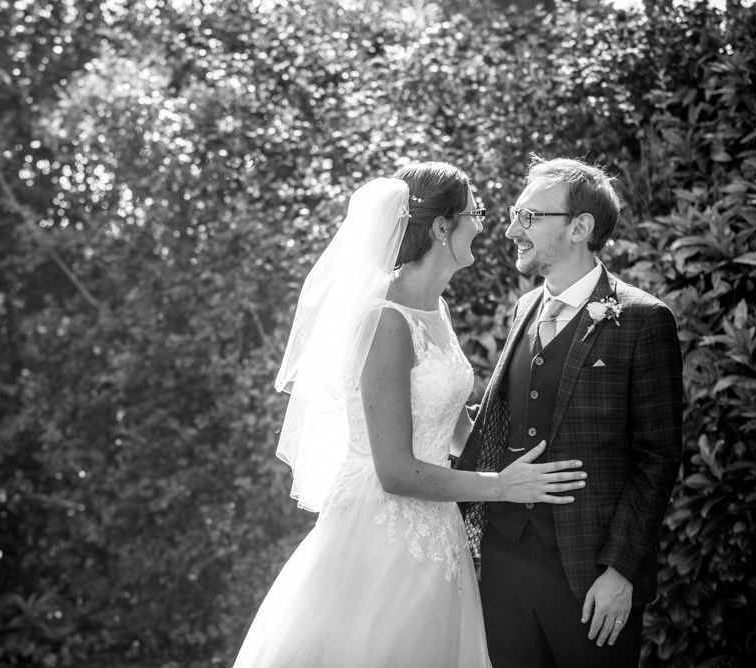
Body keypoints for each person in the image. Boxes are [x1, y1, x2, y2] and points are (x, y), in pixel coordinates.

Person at [232, 162, 588, 668]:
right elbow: (395, 471)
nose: (485, 224)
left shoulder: (435, 309)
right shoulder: (385, 321)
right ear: (442, 227)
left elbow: (454, 428)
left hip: (438, 530)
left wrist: (537, 456)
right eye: (475, 212)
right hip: (382, 535)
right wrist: (504, 485)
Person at [456, 155, 684, 667]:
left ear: (580, 227)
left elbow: (658, 458)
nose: (513, 228)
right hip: (502, 560)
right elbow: (500, 423)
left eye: (530, 216)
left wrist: (621, 571)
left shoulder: (644, 320)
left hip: (589, 576)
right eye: (516, 213)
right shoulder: (524, 308)